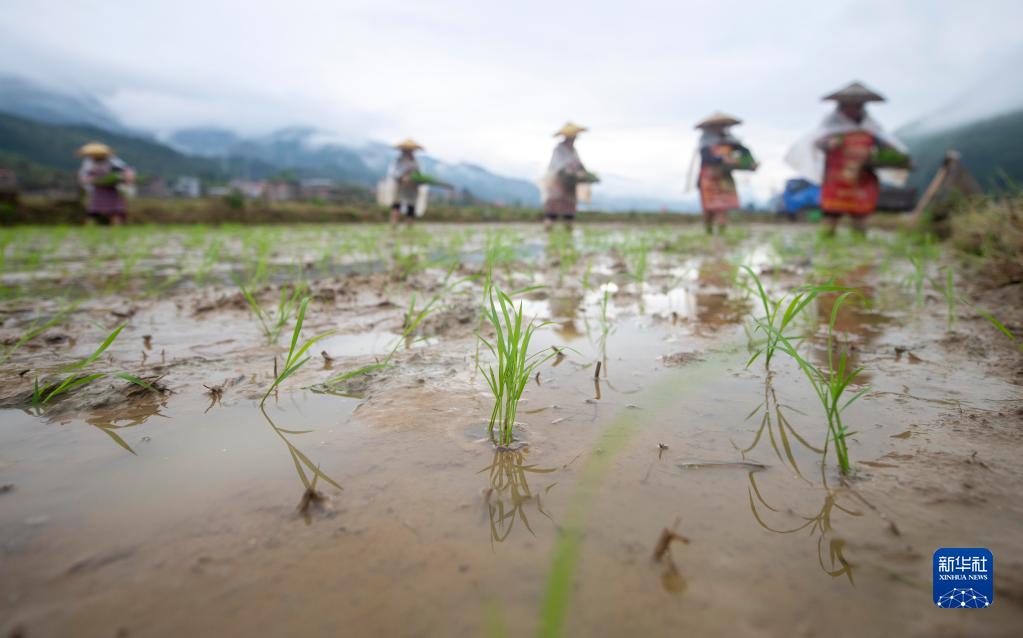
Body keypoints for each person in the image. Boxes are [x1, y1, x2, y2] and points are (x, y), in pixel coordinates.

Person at [785, 81, 910, 237]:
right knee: (831, 213)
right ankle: (826, 242)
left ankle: (859, 243)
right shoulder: (831, 127)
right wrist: (829, 143)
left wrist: (895, 157)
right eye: (849, 106)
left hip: (862, 177)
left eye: (857, 106)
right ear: (841, 107)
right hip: (836, 177)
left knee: (860, 213)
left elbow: (886, 145)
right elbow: (817, 141)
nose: (853, 109)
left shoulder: (870, 128)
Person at [691, 112, 757, 234]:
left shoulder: (731, 141)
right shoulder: (706, 142)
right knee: (709, 208)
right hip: (708, 178)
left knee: (722, 206)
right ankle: (708, 230)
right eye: (717, 126)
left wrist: (749, 163)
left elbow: (745, 153)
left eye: (722, 125)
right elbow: (706, 159)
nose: (720, 128)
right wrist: (722, 159)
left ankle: (721, 233)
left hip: (724, 178)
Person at [542, 122, 595, 230]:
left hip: (570, 185)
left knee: (569, 212)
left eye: (574, 138)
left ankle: (568, 237)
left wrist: (584, 173)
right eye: (572, 138)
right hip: (557, 183)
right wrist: (569, 171)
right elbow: (558, 166)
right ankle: (548, 234)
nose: (573, 140)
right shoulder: (558, 150)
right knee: (553, 211)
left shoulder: (574, 151)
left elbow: (579, 165)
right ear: (567, 137)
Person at [77, 142, 135, 225]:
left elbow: (125, 171)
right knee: (94, 211)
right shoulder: (89, 163)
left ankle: (115, 227)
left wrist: (123, 179)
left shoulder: (113, 162)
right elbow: (84, 176)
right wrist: (91, 180)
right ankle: (91, 227)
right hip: (98, 190)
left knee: (115, 211)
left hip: (112, 190)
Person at [386, 139, 424, 226]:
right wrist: (402, 177)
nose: (409, 152)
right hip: (400, 185)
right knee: (397, 203)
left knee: (411, 205)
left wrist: (417, 179)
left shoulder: (416, 162)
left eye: (411, 151)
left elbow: (419, 174)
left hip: (412, 186)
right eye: (407, 151)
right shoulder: (398, 161)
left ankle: (409, 223)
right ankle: (394, 222)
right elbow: (393, 173)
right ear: (403, 151)